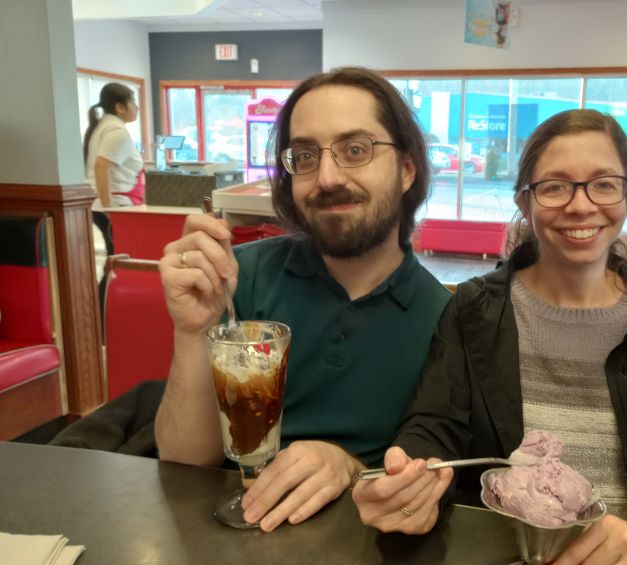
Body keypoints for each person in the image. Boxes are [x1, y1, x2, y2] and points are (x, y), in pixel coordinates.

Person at [353, 109, 627, 565]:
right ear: (526, 200)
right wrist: (410, 469)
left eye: (603, 185)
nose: (581, 206)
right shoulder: (475, 310)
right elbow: (437, 422)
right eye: (555, 186)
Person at [154, 67, 451, 533]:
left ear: (407, 169)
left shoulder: (446, 319)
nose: (327, 177)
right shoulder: (238, 278)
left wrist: (349, 466)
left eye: (356, 150)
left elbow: (427, 481)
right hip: (227, 535)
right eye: (305, 156)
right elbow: (184, 464)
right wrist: (192, 331)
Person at [83, 82, 144, 209]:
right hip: (116, 204)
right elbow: (101, 167)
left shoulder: (103, 126)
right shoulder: (117, 131)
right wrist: (108, 209)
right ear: (120, 108)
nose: (137, 108)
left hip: (106, 203)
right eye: (133, 102)